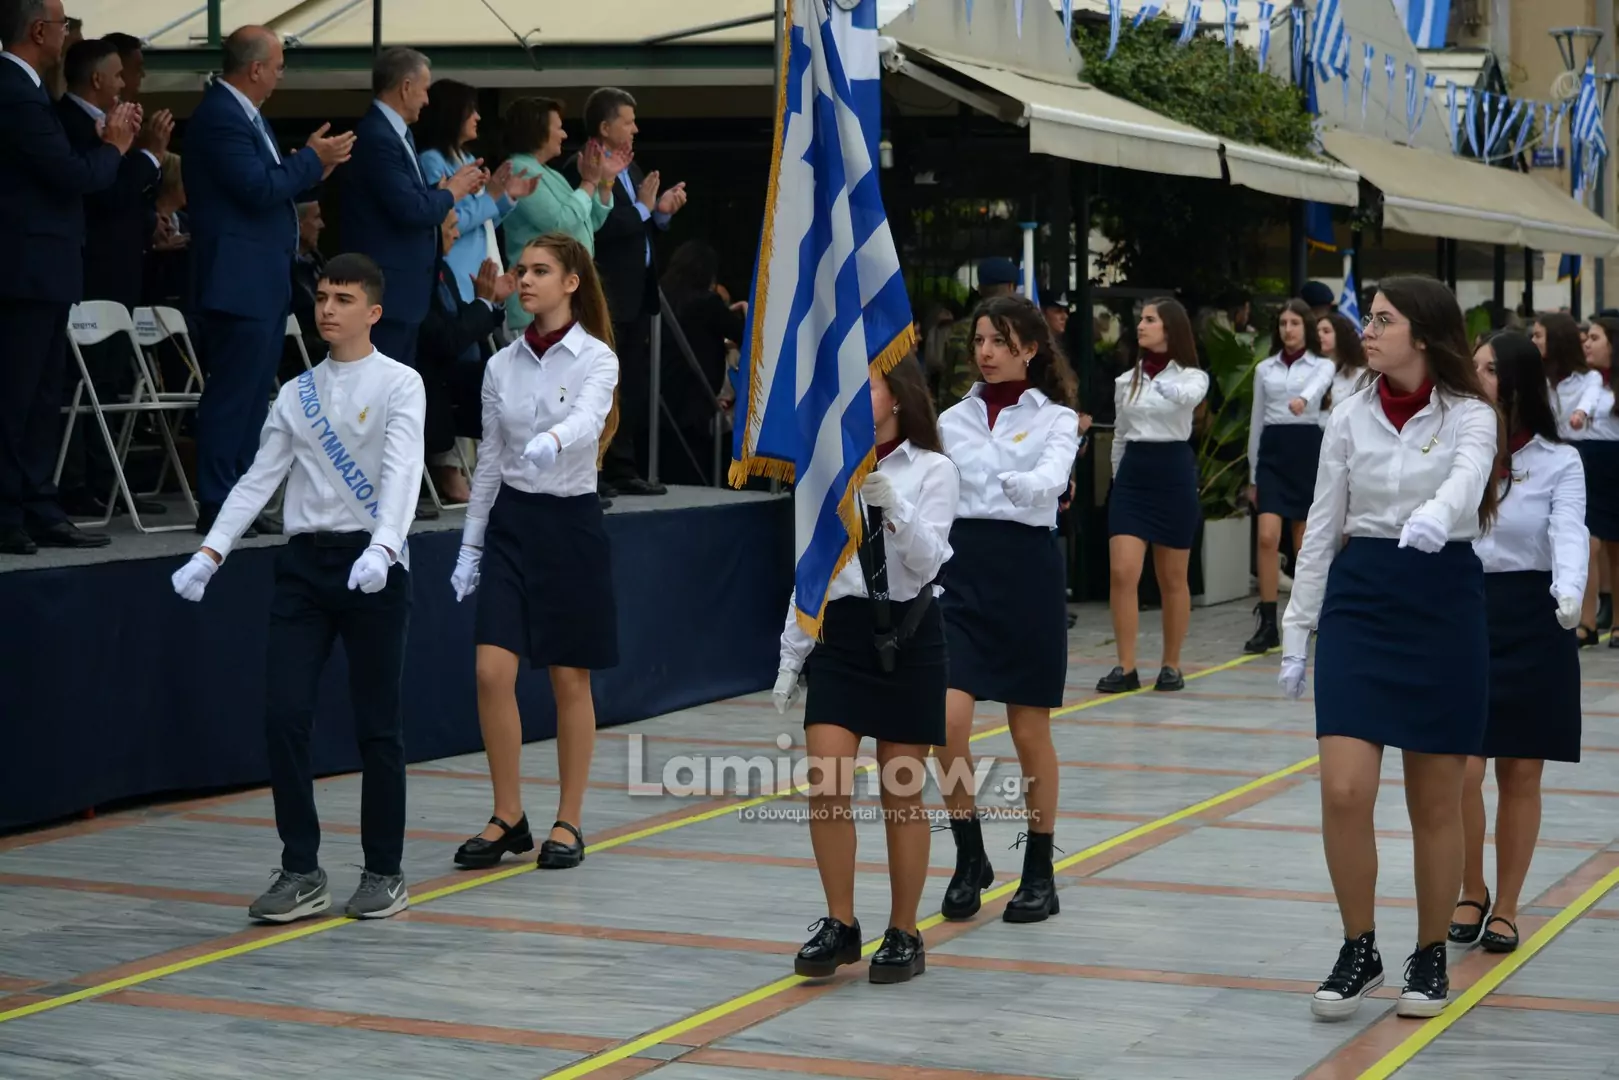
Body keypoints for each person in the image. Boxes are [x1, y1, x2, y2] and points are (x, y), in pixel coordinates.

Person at [169, 253, 427, 924]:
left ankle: (385, 870)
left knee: (378, 726)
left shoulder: (401, 383)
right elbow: (259, 478)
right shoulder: (297, 393)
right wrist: (211, 552)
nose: (327, 309)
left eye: (343, 299)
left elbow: (403, 471)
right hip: (305, 566)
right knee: (284, 716)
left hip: (372, 564)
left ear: (373, 312)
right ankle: (301, 869)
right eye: (322, 297)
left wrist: (385, 546)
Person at [1279, 276, 1504, 1021]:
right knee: (1343, 788)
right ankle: (1359, 946)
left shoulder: (1470, 413)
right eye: (1368, 320)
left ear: (1423, 334)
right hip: (1363, 595)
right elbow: (1321, 524)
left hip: (1442, 597)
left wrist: (1439, 515)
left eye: (1382, 320)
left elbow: (1469, 477)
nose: (1366, 332)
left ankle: (1430, 952)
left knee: (1435, 799)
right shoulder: (1347, 413)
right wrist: (1297, 630)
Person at [771, 360, 958, 984]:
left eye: (868, 383)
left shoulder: (934, 468)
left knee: (901, 790)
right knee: (826, 781)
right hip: (843, 634)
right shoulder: (830, 470)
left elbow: (930, 561)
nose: (854, 394)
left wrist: (894, 504)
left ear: (898, 396)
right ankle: (841, 922)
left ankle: (905, 931)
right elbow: (813, 568)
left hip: (909, 630)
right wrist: (791, 654)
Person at [448, 232, 621, 871]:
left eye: (540, 271)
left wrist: (555, 439)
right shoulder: (501, 365)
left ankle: (568, 819)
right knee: (491, 671)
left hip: (570, 523)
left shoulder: (597, 357)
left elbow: (589, 418)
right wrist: (470, 546)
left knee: (568, 677)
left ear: (571, 282)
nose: (523, 280)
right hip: (513, 522)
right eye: (521, 270)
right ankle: (508, 814)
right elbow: (490, 461)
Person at [932, 295, 1081, 925]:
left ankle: (1040, 870)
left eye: (1000, 340)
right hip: (961, 571)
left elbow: (1054, 474)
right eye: (980, 341)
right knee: (945, 722)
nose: (986, 352)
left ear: (1030, 348)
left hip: (1027, 573)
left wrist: (1033, 487)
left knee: (1028, 730)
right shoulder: (950, 419)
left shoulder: (1058, 418)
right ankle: (970, 855)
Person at [184, 26, 354, 534]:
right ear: (255, 68)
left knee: (255, 393)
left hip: (258, 278)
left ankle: (239, 497)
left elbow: (271, 183)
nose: (280, 76)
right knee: (233, 392)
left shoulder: (246, 116)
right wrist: (311, 161)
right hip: (237, 277)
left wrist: (310, 167)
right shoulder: (222, 116)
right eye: (277, 67)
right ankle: (218, 500)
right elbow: (257, 187)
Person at [1449, 330, 1586, 956]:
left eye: (1487, 368)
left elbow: (1569, 531)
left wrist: (1570, 590)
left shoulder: (1560, 460)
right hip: (1466, 611)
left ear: (1516, 382)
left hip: (1535, 614)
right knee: (1461, 768)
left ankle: (1505, 905)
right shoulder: (1458, 447)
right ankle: (1470, 886)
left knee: (1521, 771)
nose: (1473, 375)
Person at [0, 0, 137, 555]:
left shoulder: (30, 90)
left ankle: (38, 505)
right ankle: (10, 511)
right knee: (17, 398)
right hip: (24, 271)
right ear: (39, 30)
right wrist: (115, 147)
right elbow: (70, 174)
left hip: (43, 270)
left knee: (41, 398)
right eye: (62, 26)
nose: (68, 35)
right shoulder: (15, 91)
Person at [52, 36, 170, 519]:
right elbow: (104, 196)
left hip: (120, 275)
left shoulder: (106, 126)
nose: (125, 84)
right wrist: (149, 154)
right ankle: (75, 484)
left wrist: (149, 218)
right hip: (91, 276)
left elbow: (127, 203)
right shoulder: (69, 123)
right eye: (119, 75)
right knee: (83, 384)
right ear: (98, 78)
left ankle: (107, 480)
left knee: (110, 383)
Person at [563, 86, 684, 497]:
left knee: (628, 384)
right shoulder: (584, 167)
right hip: (605, 292)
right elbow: (603, 227)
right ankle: (592, 470)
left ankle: (622, 466)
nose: (635, 129)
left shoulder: (630, 167)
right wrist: (645, 209)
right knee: (596, 384)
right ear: (604, 126)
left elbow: (638, 222)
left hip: (636, 295)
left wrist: (659, 212)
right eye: (628, 121)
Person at [340, 47, 483, 370]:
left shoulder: (396, 134)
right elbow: (410, 209)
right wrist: (452, 193)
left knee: (396, 387)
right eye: (424, 89)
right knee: (380, 386)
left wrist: (442, 191)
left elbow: (407, 199)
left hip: (403, 294)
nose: (427, 100)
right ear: (406, 87)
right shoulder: (379, 136)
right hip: (387, 293)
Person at [1099, 298, 1209, 693]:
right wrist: (1118, 479)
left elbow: (1188, 398)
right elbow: (1120, 436)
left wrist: (1159, 380)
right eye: (1141, 319)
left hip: (1173, 471)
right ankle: (1125, 666)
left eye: (1150, 320)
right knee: (1122, 571)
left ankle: (1171, 664)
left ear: (1170, 328)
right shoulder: (1124, 381)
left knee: (1172, 577)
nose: (1141, 326)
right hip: (1134, 475)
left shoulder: (1193, 377)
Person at [1243, 300, 1332, 653]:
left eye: (1295, 323)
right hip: (1273, 450)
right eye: (1283, 323)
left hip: (1306, 448)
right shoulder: (1265, 368)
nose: (1288, 329)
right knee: (1267, 536)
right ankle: (1268, 621)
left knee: (1303, 539)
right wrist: (1253, 475)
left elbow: (1320, 384)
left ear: (1306, 327)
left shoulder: (1322, 364)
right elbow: (1256, 422)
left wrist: (1303, 399)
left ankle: (1310, 616)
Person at [501, 96, 620, 331]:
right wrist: (588, 182)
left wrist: (604, 184)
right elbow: (560, 224)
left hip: (565, 299)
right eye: (559, 128)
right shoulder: (519, 169)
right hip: (539, 305)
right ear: (538, 131)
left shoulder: (550, 173)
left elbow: (589, 222)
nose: (564, 135)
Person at [414, 78, 535, 306]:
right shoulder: (432, 161)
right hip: (457, 272)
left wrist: (506, 197)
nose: (477, 117)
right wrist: (490, 197)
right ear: (452, 114)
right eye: (471, 111)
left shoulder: (467, 158)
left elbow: (482, 224)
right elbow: (449, 224)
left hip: (481, 270)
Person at [417, 207, 511, 497]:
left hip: (454, 368)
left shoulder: (441, 269)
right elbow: (448, 340)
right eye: (451, 228)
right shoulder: (416, 277)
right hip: (431, 377)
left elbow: (461, 325)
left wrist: (491, 303)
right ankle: (451, 471)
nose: (457, 234)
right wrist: (483, 303)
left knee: (518, 375)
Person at [657, 240, 744, 485]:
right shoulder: (707, 303)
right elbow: (742, 333)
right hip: (695, 394)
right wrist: (746, 312)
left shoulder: (662, 298)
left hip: (661, 392)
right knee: (694, 465)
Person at [1570, 316, 1619, 648]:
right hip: (1588, 461)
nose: (1587, 343)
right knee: (1588, 542)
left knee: (1616, 549)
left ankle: (1617, 622)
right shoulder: (1585, 381)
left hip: (1615, 462)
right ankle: (1585, 621)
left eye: (1595, 338)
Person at [935, 257, 1019, 412]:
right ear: (1011, 287)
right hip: (1001, 413)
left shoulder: (959, 329)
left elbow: (945, 377)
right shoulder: (1018, 331)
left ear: (979, 289)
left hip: (958, 410)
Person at [1318, 311, 1368, 423]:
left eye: (1326, 331)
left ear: (1341, 335)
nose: (1319, 335)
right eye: (1317, 332)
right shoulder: (1309, 371)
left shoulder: (1360, 376)